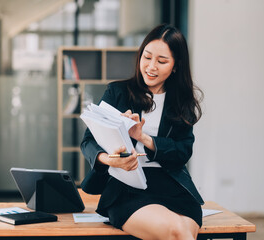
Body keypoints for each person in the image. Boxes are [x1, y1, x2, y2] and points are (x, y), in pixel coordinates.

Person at [80, 23, 204, 240]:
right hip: (127, 186)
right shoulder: (118, 92)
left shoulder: (181, 103)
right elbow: (88, 142)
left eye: (162, 61)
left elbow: (182, 152)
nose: (151, 67)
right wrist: (109, 160)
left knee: (181, 231)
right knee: (178, 231)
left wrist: (142, 137)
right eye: (147, 57)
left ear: (175, 66)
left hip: (173, 187)